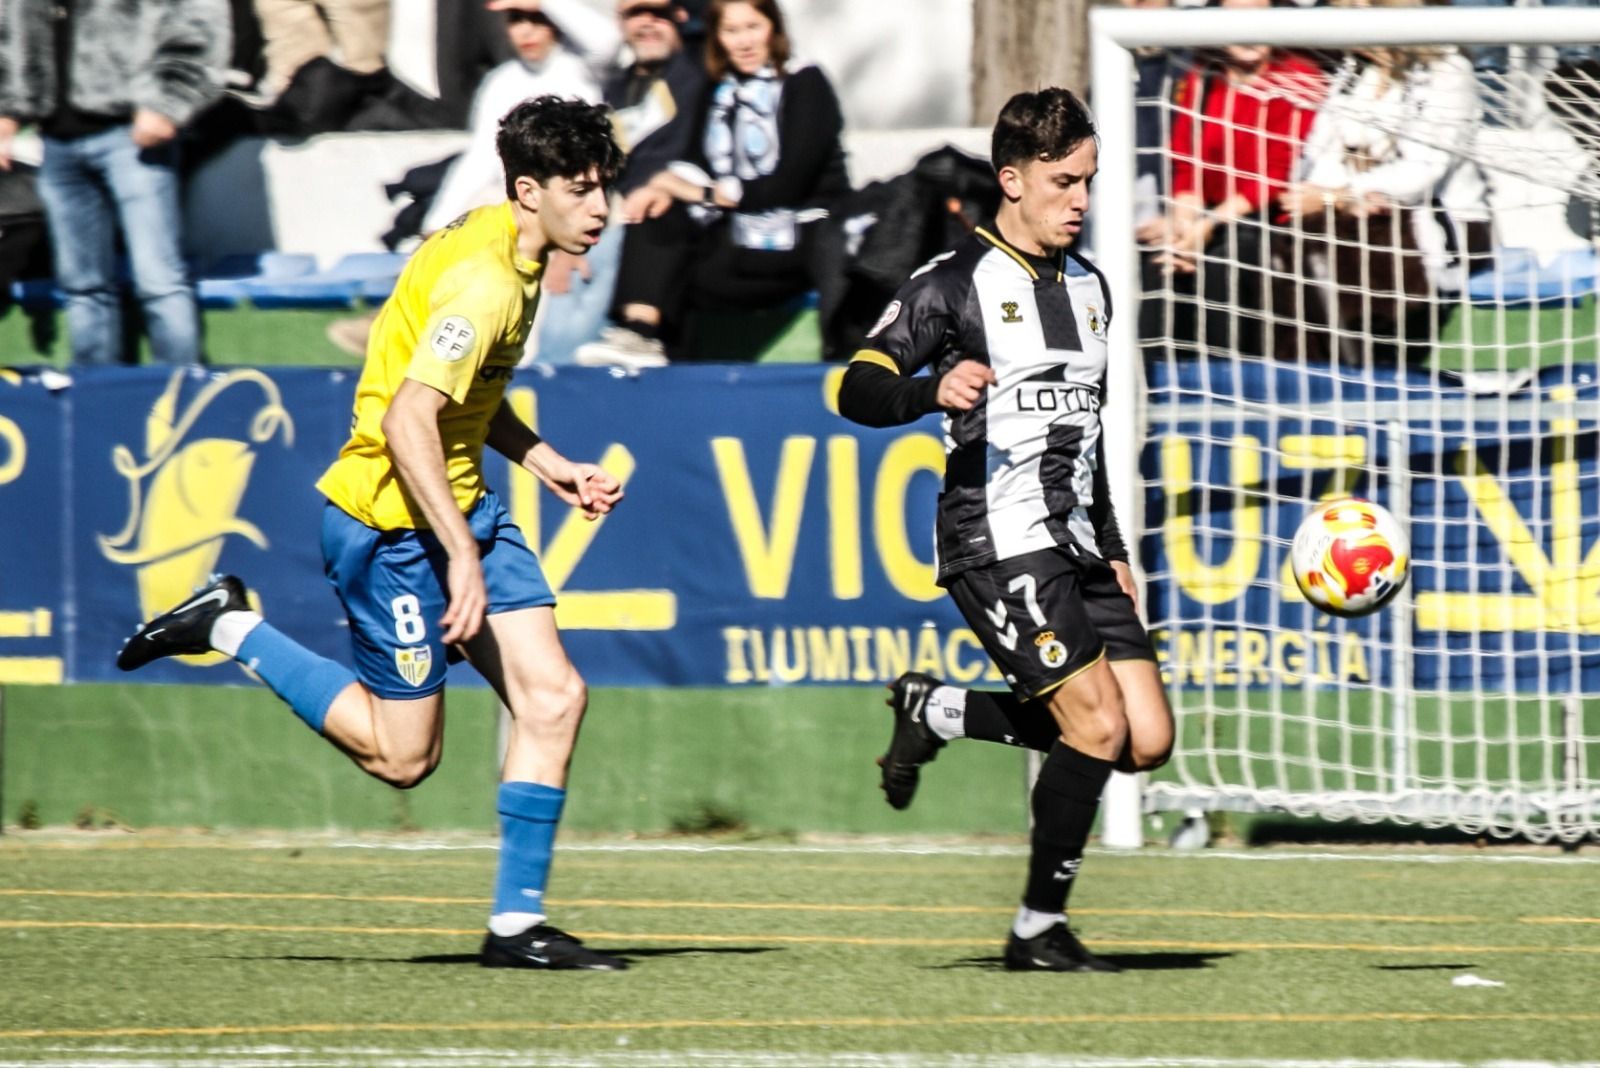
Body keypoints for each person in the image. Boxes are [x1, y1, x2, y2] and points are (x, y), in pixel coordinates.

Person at [117, 96, 631, 972]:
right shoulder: (488, 279)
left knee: (553, 698)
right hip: (388, 526)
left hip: (459, 504)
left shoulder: (513, 243)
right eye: (581, 191)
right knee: (404, 760)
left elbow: (459, 394)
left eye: (603, 189)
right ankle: (227, 625)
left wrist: (546, 461)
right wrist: (460, 556)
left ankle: (515, 926)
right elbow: (407, 419)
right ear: (528, 188)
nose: (601, 208)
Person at [837, 88, 1174, 973]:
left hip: (1075, 539)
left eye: (1090, 182)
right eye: (1065, 182)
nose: (1082, 201)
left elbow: (1087, 436)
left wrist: (1113, 548)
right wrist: (928, 391)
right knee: (1095, 728)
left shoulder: (1093, 286)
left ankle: (936, 709)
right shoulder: (949, 286)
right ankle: (1036, 931)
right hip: (997, 539)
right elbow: (857, 386)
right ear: (1012, 180)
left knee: (1146, 741)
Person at [574, 0, 850, 368]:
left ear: (774, 29)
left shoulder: (805, 81)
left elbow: (787, 183)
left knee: (678, 251)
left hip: (801, 239)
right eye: (731, 32)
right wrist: (661, 188)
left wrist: (700, 192)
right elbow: (696, 161)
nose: (744, 42)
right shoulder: (718, 87)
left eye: (753, 28)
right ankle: (640, 336)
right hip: (738, 236)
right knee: (659, 212)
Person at [0, 0, 228, 366]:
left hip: (131, 134)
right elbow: (11, 29)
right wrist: (8, 110)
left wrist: (169, 103)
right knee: (82, 288)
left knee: (159, 281)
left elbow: (200, 22)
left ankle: (182, 400)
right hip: (56, 141)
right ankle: (96, 401)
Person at [1276, 0, 1492, 369]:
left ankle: (1363, 373)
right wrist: (1337, 198)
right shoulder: (1356, 71)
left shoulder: (1448, 72)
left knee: (1346, 241)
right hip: (1352, 217)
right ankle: (1316, 373)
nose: (1347, 16)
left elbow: (1422, 172)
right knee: (1290, 238)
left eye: (1360, 6)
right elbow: (1316, 155)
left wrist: (1339, 195)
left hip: (1434, 226)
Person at [1137, 0, 1324, 360]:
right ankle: (1150, 389)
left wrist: (1206, 228)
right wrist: (1183, 224)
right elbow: (1186, 162)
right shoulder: (1203, 76)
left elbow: (1272, 176)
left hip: (1265, 219)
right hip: (1206, 215)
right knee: (1162, 259)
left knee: (1226, 262)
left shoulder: (1300, 77)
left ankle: (1224, 388)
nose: (1248, 34)